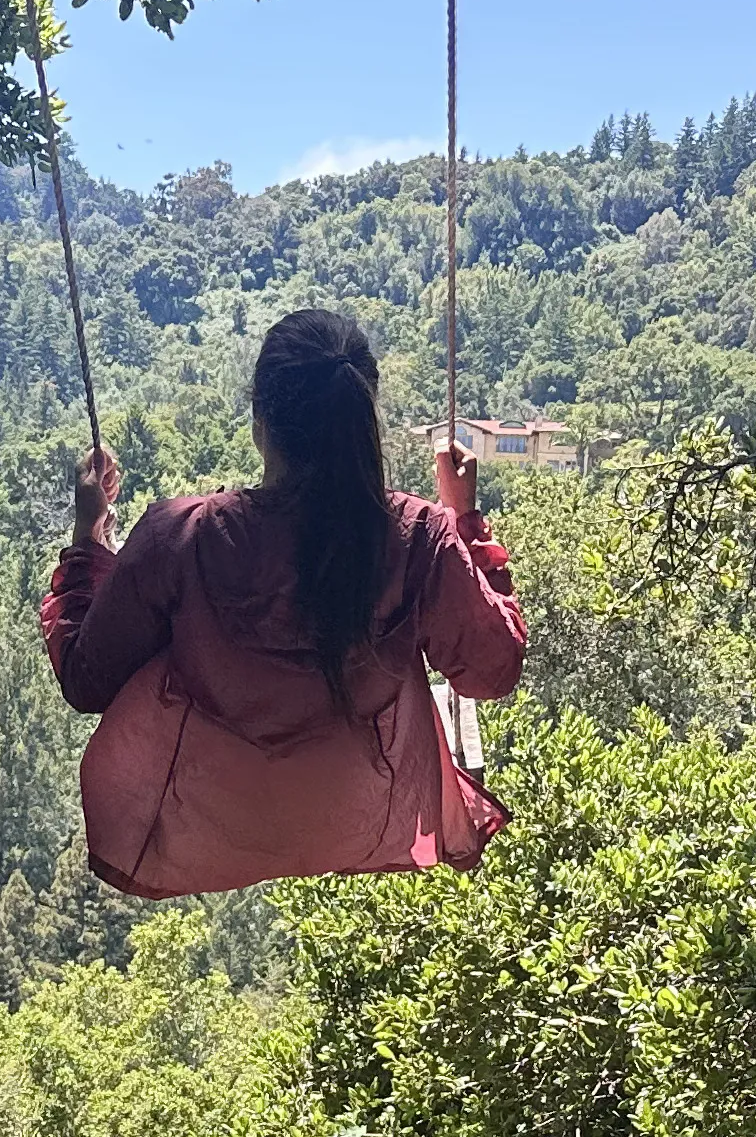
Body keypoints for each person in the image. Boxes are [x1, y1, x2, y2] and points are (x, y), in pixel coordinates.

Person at [43, 306, 526, 898]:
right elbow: (491, 668)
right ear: (361, 416)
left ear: (259, 421)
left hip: (218, 814)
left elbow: (87, 679)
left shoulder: (183, 540)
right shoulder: (414, 539)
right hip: (357, 807)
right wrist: (462, 521)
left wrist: (88, 537)